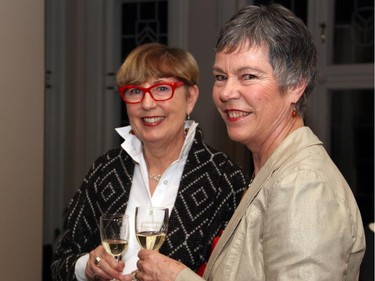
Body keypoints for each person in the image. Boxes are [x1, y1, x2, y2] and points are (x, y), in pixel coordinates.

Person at [122, 4, 366, 281]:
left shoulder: (303, 185)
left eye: (248, 76)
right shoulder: (272, 170)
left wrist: (178, 278)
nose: (226, 92)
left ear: (296, 85)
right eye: (221, 77)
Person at [51, 43, 249, 281]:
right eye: (135, 91)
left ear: (190, 98)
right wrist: (88, 266)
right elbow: (61, 263)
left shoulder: (224, 179)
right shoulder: (106, 170)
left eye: (162, 88)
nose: (146, 104)